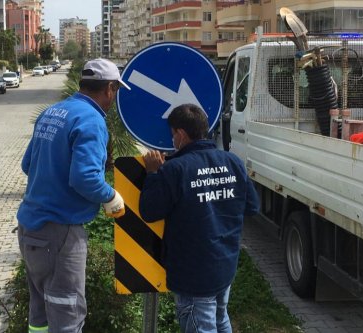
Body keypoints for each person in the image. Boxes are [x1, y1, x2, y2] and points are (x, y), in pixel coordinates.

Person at [16, 58, 129, 333]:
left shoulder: (53, 112)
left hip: (29, 229)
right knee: (67, 314)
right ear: (110, 89)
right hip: (60, 235)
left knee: (40, 313)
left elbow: (27, 164)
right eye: (116, 92)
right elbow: (85, 178)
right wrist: (111, 197)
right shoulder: (91, 120)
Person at [139, 103, 260, 333]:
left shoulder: (174, 169)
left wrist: (153, 174)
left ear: (182, 134)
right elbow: (252, 207)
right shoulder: (233, 162)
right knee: (220, 318)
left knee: (204, 325)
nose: (172, 140)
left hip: (193, 274)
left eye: (173, 134)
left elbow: (150, 211)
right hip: (225, 265)